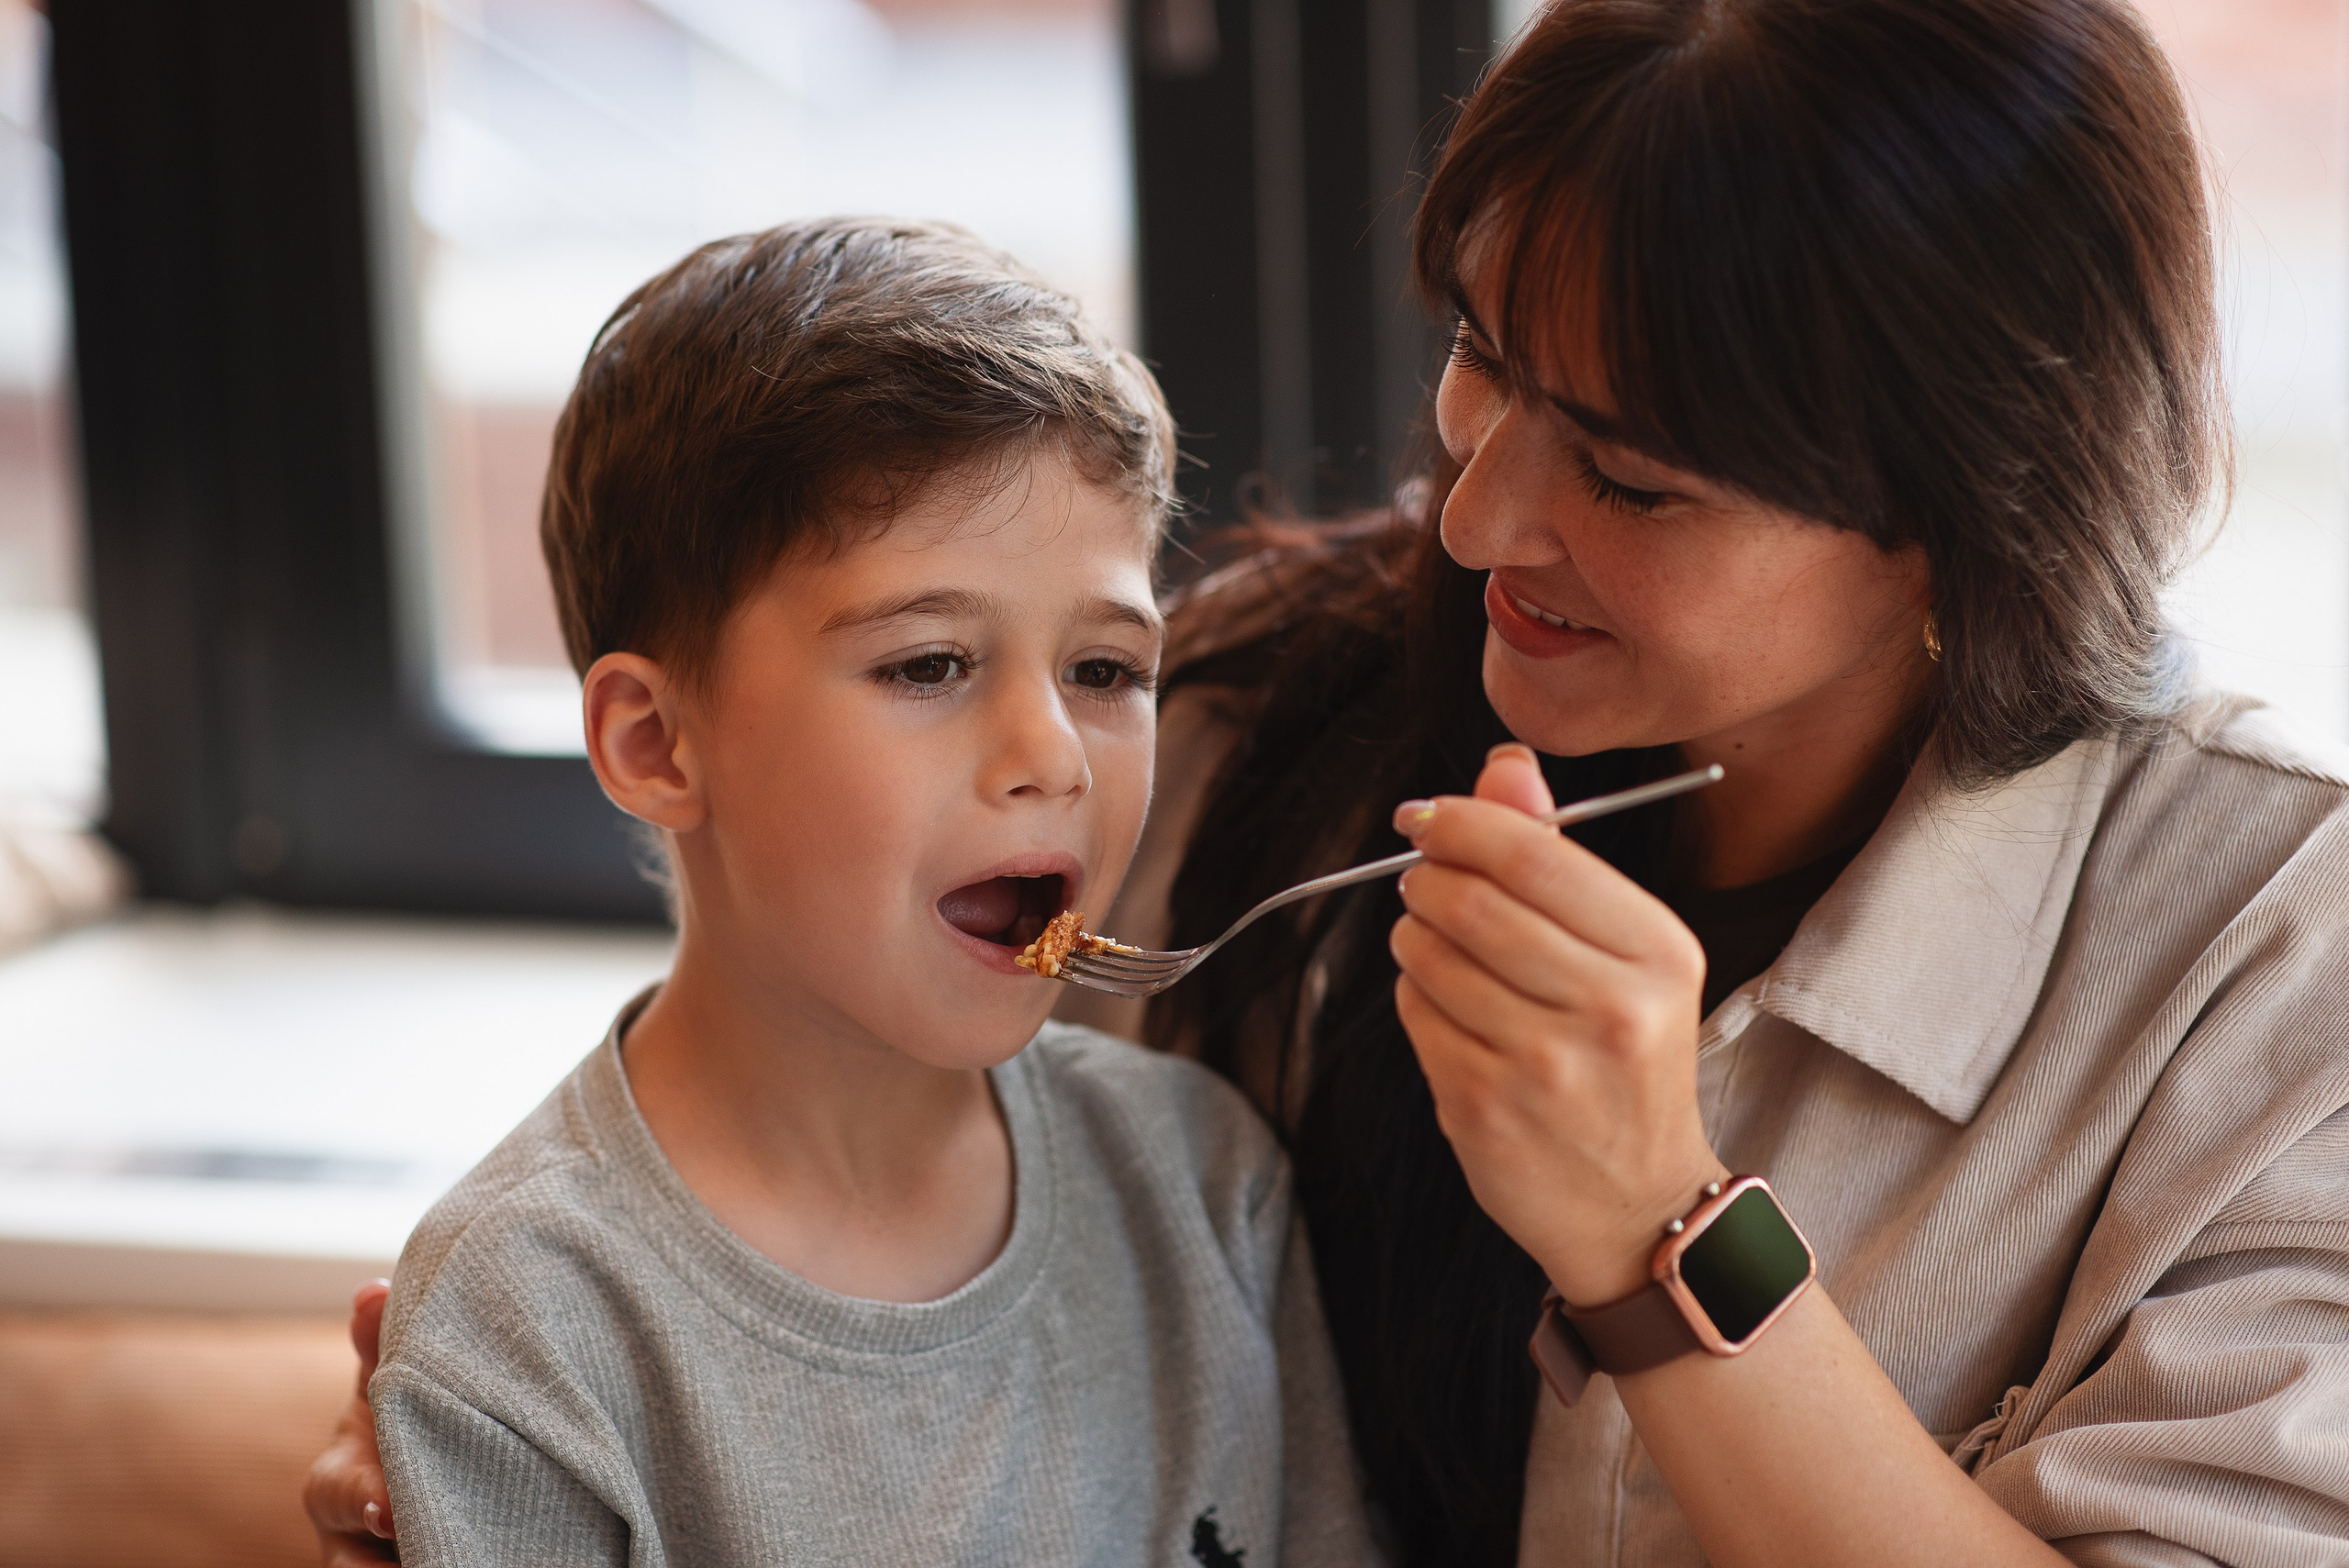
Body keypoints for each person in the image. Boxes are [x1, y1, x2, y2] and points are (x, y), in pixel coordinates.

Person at [314, 1, 2349, 1563]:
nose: (1472, 519)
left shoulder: (2267, 969)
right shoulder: (1213, 735)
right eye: (1479, 359)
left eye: (1627, 476)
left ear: (1969, 522)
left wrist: (1659, 1231)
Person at [340, 217, 1376, 1568]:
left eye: (1106, 671)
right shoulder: (527, 1326)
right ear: (656, 743)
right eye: (930, 664)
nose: (1052, 756)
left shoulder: (1207, 1186)